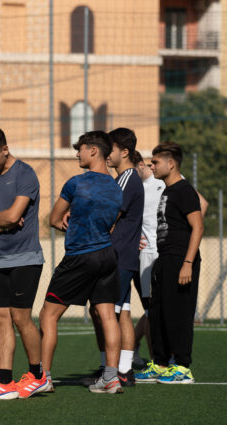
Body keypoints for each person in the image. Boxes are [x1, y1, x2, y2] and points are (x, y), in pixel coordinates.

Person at [39, 131, 125, 394]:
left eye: (81, 149)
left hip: (79, 256)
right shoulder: (116, 187)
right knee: (108, 315)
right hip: (108, 256)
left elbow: (53, 219)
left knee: (48, 315)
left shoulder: (75, 183)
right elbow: (110, 224)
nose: (77, 153)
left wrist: (67, 223)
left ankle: (44, 377)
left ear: (94, 151)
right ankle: (111, 377)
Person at [0, 126, 48, 400]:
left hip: (26, 258)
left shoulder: (25, 173)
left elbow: (15, 215)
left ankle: (38, 376)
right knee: (2, 318)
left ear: (5, 149)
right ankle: (5, 382)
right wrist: (0, 222)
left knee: (20, 317)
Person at [135, 142, 204, 384]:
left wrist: (187, 262)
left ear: (171, 163)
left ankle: (183, 367)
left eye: (155, 162)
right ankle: (161, 363)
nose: (151, 166)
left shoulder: (184, 190)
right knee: (158, 313)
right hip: (164, 259)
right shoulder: (167, 191)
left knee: (179, 314)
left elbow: (198, 226)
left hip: (180, 259)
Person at [87, 127, 144, 387]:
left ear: (125, 152)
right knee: (120, 314)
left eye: (111, 149)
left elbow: (110, 214)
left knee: (106, 312)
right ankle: (123, 369)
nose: (107, 154)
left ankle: (113, 371)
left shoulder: (125, 178)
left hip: (118, 257)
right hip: (124, 256)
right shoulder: (129, 178)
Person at [131, 153, 165, 367]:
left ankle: (134, 347)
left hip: (165, 255)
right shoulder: (133, 189)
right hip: (143, 257)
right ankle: (156, 362)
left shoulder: (163, 183)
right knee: (151, 310)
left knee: (158, 309)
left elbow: (200, 204)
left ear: (141, 165)